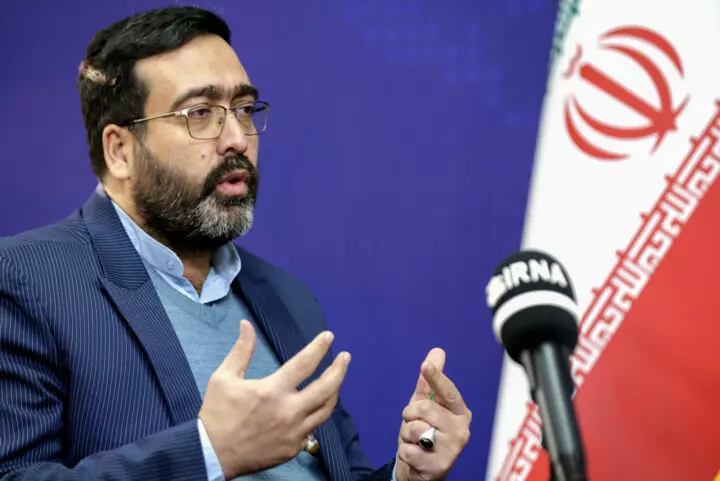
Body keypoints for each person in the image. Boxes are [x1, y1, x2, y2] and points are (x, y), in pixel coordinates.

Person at [0, 6, 472, 481]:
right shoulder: (27, 281)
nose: (236, 139)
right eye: (200, 113)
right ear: (120, 150)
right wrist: (209, 452)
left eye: (244, 109)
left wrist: (406, 475)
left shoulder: (287, 299)